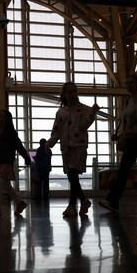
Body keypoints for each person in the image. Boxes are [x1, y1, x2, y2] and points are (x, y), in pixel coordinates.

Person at [98, 74, 137, 213]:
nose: (128, 85)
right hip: (132, 140)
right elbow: (127, 124)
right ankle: (112, 201)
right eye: (127, 83)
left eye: (131, 82)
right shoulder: (128, 101)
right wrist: (120, 136)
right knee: (123, 171)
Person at [47, 82, 99, 216]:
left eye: (75, 91)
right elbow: (56, 131)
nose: (73, 94)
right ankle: (82, 201)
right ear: (64, 94)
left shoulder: (84, 109)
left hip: (79, 145)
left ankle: (73, 204)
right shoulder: (61, 112)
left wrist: (92, 113)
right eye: (70, 92)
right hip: (66, 147)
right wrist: (49, 144)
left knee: (73, 175)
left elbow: (83, 126)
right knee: (72, 176)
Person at [0, 110, 32, 218]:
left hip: (6, 162)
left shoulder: (11, 133)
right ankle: (20, 203)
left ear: (8, 120)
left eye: (4, 117)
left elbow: (19, 146)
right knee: (6, 185)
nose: (1, 119)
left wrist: (26, 157)